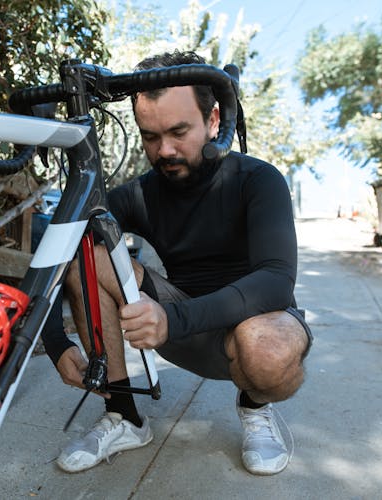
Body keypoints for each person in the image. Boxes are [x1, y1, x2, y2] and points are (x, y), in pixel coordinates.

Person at [41, 50, 312, 476]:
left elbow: (276, 281)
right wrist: (55, 342)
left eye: (178, 131)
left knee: (268, 350)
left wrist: (174, 318)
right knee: (90, 247)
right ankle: (124, 415)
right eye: (150, 136)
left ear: (215, 120)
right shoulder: (141, 193)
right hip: (182, 325)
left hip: (251, 326)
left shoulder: (259, 180)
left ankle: (256, 406)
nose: (164, 150)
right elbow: (62, 248)